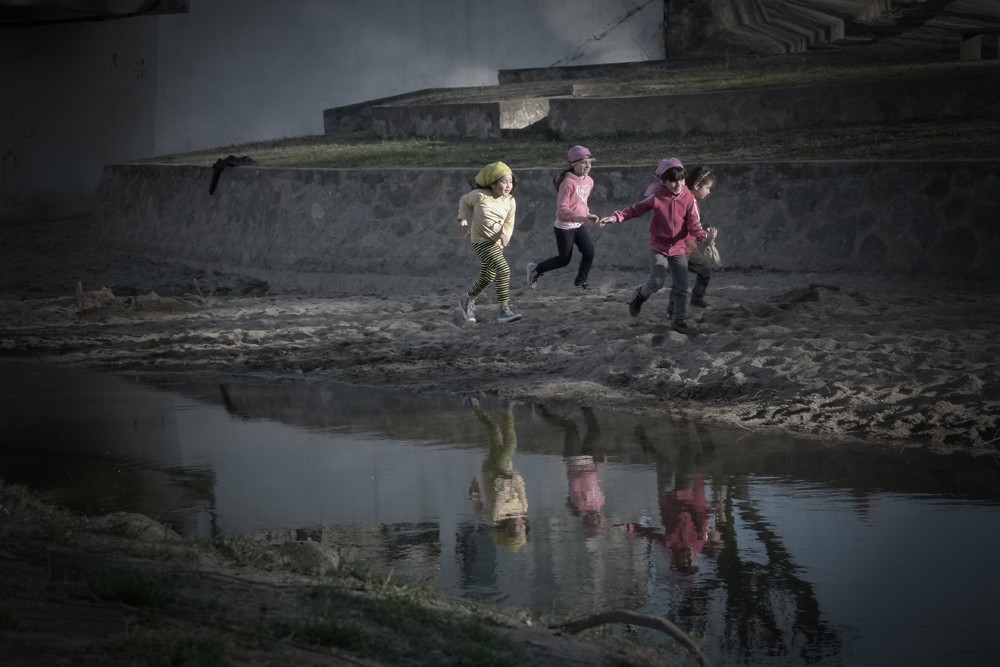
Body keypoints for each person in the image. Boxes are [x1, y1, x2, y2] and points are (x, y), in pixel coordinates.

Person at [599, 157, 708, 334]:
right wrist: (614, 217)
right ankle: (639, 296)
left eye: (680, 179)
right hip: (659, 246)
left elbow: (695, 222)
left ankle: (679, 321)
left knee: (681, 286)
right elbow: (634, 210)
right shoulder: (657, 197)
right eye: (672, 181)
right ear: (663, 182)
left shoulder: (689, 198)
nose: (677, 184)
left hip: (679, 247)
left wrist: (702, 236)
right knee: (656, 282)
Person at [526, 145, 600, 290]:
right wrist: (579, 217)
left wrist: (588, 215)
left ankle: (580, 282)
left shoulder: (589, 181)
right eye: (583, 162)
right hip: (564, 227)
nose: (587, 166)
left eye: (590, 162)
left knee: (589, 253)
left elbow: (582, 202)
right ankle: (536, 269)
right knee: (564, 260)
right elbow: (563, 208)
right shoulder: (567, 183)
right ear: (574, 164)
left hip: (578, 225)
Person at [457, 162, 522, 324]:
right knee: (504, 270)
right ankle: (503, 310)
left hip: (496, 243)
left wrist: (505, 236)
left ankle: (467, 299)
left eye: (510, 181)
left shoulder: (510, 201)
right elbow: (464, 200)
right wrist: (463, 218)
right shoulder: (480, 196)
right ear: (493, 183)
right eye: (503, 182)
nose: (508, 186)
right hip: (480, 241)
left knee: (488, 276)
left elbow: (509, 223)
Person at [467, 399, 529, 551]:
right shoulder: (523, 509)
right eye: (523, 531)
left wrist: (474, 490)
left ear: (507, 531)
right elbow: (521, 488)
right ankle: (475, 407)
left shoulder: (495, 516)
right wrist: (517, 478)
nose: (521, 527)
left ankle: (507, 409)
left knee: (510, 445)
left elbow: (498, 494)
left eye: (517, 530)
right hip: (507, 470)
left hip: (493, 471)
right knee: (495, 434)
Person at [671, 166, 718, 314]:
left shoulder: (689, 199)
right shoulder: (685, 199)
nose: (708, 192)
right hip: (680, 247)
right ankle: (673, 310)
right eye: (707, 188)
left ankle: (696, 299)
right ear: (697, 185)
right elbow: (692, 225)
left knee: (704, 268)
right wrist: (702, 236)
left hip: (689, 247)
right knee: (680, 280)